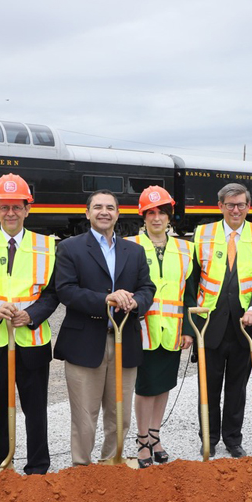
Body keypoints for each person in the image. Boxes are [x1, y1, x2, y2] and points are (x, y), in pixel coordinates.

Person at [0, 174, 59, 474]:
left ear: (28, 209)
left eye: (17, 207)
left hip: (31, 342)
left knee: (35, 411)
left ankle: (38, 467)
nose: (11, 213)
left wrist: (31, 316)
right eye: (4, 207)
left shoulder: (46, 245)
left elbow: (53, 293)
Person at [53, 190, 155, 466]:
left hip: (125, 340)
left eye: (110, 207)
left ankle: (112, 465)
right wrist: (105, 300)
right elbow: (66, 291)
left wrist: (135, 302)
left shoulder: (134, 251)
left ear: (118, 214)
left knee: (119, 415)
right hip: (85, 343)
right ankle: (82, 468)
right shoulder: (70, 248)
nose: (104, 212)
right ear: (87, 214)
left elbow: (147, 288)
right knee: (85, 416)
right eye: (97, 207)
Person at [184, 183, 252, 458]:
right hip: (209, 325)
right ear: (220, 206)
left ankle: (233, 439)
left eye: (241, 205)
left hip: (245, 326)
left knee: (237, 387)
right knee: (208, 387)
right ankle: (208, 438)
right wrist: (189, 327)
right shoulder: (202, 234)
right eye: (230, 205)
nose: (236, 210)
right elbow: (190, 283)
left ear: (248, 206)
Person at [127, 186, 193, 467]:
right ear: (143, 216)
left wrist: (188, 329)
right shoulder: (130, 246)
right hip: (142, 330)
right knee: (144, 386)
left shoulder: (185, 248)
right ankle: (143, 441)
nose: (157, 218)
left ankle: (155, 435)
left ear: (170, 216)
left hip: (173, 329)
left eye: (162, 212)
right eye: (151, 212)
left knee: (164, 383)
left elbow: (189, 291)